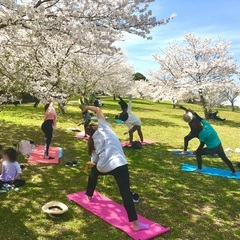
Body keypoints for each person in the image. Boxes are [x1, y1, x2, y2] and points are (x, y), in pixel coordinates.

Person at [82, 106, 149, 231]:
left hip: (104, 166)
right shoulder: (105, 128)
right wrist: (86, 107)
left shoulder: (93, 141)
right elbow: (97, 109)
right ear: (97, 126)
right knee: (125, 194)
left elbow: (94, 161)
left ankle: (88, 196)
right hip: (119, 165)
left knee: (93, 173)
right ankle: (135, 225)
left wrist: (95, 164)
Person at [186, 109, 236, 175]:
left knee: (198, 153)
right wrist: (193, 112)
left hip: (212, 148)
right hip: (218, 145)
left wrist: (196, 151)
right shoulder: (207, 125)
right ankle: (234, 172)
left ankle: (199, 169)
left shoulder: (201, 134)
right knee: (224, 158)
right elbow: (199, 118)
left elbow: (202, 144)